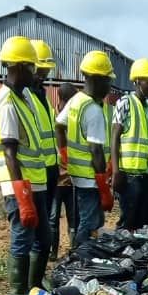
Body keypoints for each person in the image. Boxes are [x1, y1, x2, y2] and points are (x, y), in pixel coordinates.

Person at [0, 36, 50, 295]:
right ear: (19, 67)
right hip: (20, 184)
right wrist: (22, 196)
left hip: (35, 181)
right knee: (22, 238)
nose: (34, 72)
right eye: (31, 67)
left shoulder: (24, 96)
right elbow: (10, 152)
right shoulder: (8, 104)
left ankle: (34, 286)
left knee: (43, 238)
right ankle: (18, 291)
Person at [55, 51, 115, 247]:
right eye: (107, 80)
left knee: (87, 222)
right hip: (91, 179)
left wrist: (64, 153)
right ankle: (80, 259)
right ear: (97, 79)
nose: (109, 86)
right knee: (90, 224)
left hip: (77, 175)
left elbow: (59, 125)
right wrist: (105, 188)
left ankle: (81, 256)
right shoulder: (94, 111)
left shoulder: (76, 100)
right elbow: (96, 151)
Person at [111, 58, 148, 230]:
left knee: (140, 223)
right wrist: (116, 171)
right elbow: (114, 137)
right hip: (128, 176)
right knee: (127, 222)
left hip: (145, 175)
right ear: (138, 81)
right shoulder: (125, 103)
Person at [28, 40, 59, 229]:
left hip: (49, 170)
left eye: (45, 74)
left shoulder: (43, 97)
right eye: (40, 73)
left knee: (45, 225)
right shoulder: (26, 98)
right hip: (34, 174)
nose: (42, 78)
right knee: (36, 231)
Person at [49, 83, 78, 259]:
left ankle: (73, 251)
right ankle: (53, 253)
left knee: (73, 219)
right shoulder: (54, 119)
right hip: (56, 180)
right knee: (53, 218)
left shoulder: (72, 120)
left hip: (71, 179)